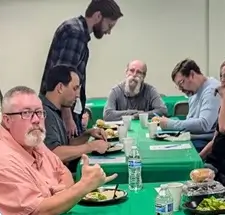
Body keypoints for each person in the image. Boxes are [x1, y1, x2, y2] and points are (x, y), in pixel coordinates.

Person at [0, 85, 118, 215]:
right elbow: (40, 214)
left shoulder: (31, 140)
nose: (36, 120)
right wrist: (83, 186)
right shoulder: (0, 159)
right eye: (26, 114)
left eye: (39, 112)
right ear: (6, 120)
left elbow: (65, 173)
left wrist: (58, 195)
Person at [40, 0, 123, 137]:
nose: (108, 32)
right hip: (59, 113)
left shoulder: (76, 31)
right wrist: (67, 117)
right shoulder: (75, 33)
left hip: (61, 110)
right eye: (109, 25)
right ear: (98, 16)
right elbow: (63, 78)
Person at [40, 65, 109, 171]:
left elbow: (66, 146)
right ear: (60, 88)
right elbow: (54, 153)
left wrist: (88, 134)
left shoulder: (54, 110)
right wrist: (91, 146)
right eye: (75, 88)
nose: (77, 95)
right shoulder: (44, 114)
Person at [158, 59, 221, 151]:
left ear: (192, 74)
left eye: (181, 83)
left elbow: (204, 125)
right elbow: (191, 119)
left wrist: (170, 124)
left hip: (204, 142)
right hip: (194, 137)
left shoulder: (212, 90)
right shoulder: (194, 91)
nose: (180, 89)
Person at [103, 60, 167, 121]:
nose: (134, 75)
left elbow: (162, 111)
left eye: (139, 72)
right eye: (131, 70)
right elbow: (107, 114)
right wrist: (134, 113)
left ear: (144, 76)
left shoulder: (150, 90)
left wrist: (141, 115)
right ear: (126, 72)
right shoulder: (116, 91)